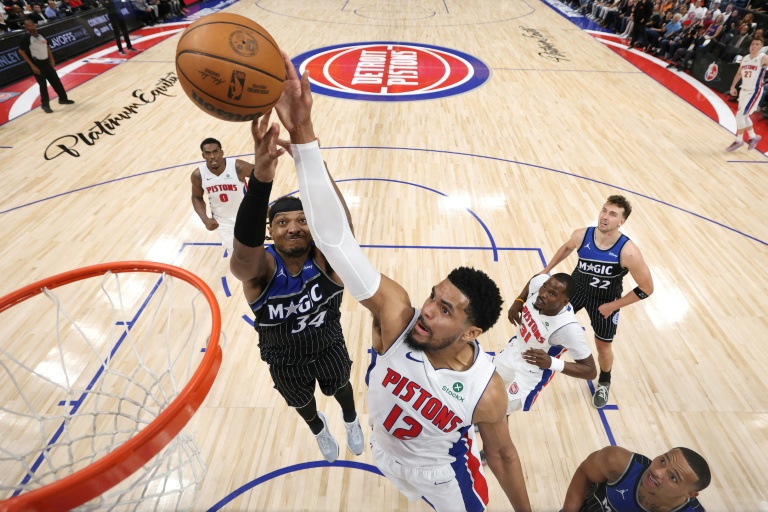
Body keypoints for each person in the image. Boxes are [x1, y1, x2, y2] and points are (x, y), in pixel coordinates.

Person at [273, 51, 532, 512]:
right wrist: (304, 139)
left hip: (445, 477)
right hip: (385, 452)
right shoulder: (397, 318)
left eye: (446, 309)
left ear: (472, 332)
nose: (428, 309)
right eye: (435, 296)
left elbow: (504, 454)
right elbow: (336, 243)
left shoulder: (485, 390)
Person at [229, 112, 365, 464]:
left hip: (328, 343)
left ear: (313, 225)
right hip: (283, 358)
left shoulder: (326, 259)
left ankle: (351, 421)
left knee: (341, 389)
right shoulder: (261, 270)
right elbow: (241, 258)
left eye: (303, 220)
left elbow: (342, 230)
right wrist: (261, 180)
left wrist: (313, 160)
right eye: (282, 222)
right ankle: (319, 429)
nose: (293, 227)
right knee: (302, 403)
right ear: (270, 232)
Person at [540, 195, 654, 409]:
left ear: (622, 222)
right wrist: (546, 270)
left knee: (603, 346)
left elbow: (647, 289)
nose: (604, 217)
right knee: (547, 319)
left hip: (606, 300)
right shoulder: (582, 235)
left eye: (612, 214)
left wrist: (613, 306)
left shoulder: (628, 251)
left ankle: (604, 380)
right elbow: (566, 248)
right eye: (604, 211)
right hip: (577, 289)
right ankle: (539, 352)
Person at [495, 273, 597, 414]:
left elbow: (590, 371)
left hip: (531, 371)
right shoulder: (540, 285)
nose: (542, 294)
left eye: (552, 293)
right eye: (544, 287)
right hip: (514, 349)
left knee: (500, 411)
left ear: (565, 301)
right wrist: (518, 301)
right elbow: (535, 278)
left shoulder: (568, 329)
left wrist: (551, 363)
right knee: (485, 385)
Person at [562, 445, 711, 511]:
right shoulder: (616, 461)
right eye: (663, 460)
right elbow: (584, 473)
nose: (657, 472)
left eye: (672, 477)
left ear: (690, 494)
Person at [190, 137, 253, 255]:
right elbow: (196, 197)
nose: (212, 156)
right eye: (207, 153)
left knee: (253, 251)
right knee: (237, 255)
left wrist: (259, 204)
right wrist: (205, 219)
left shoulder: (237, 167)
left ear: (222, 152)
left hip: (247, 216)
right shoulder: (198, 175)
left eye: (215, 152)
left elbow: (262, 175)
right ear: (203, 155)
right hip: (223, 221)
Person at [18, 19, 75, 114]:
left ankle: (63, 99)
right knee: (43, 85)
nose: (31, 27)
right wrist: (32, 65)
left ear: (34, 25)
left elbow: (47, 46)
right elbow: (21, 51)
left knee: (56, 80)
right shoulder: (25, 37)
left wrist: (51, 58)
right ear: (26, 27)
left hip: (46, 62)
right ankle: (45, 104)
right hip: (36, 63)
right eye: (28, 26)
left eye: (32, 25)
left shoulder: (40, 34)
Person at [726, 37, 768, 151]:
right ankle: (753, 137)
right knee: (744, 115)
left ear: (761, 47)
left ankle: (739, 140)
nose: (753, 46)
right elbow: (739, 73)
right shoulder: (745, 58)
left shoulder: (763, 58)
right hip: (744, 90)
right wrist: (732, 86)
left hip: (754, 91)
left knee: (740, 115)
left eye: (757, 44)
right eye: (752, 44)